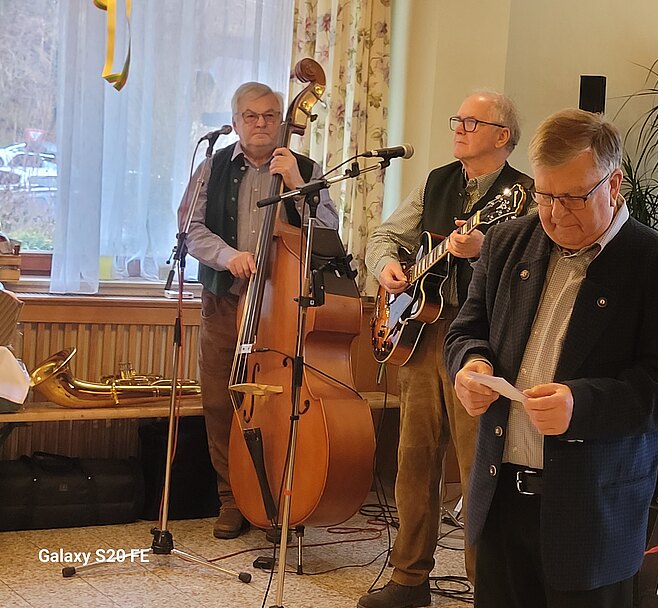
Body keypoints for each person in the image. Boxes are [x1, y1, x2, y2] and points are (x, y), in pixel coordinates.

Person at [446, 108, 658, 608]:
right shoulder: (507, 243)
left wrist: (579, 405)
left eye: (574, 197)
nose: (556, 213)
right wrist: (471, 365)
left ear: (614, 185)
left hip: (592, 515)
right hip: (502, 500)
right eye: (545, 196)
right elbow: (466, 331)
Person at [358, 91, 533, 608]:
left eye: (471, 121)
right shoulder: (436, 180)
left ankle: (487, 587)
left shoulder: (523, 194)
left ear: (502, 136)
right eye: (457, 118)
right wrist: (387, 267)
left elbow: (531, 270)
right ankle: (409, 579)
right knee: (413, 459)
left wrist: (485, 250)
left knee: (478, 464)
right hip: (421, 334)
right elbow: (385, 236)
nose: (458, 127)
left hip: (482, 338)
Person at [183, 81, 338, 539]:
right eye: (250, 116)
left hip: (281, 307)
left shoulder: (305, 168)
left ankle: (278, 498)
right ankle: (232, 499)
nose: (261, 123)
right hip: (224, 301)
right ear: (235, 122)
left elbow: (329, 232)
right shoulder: (212, 167)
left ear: (282, 120)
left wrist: (298, 186)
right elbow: (190, 228)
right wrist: (227, 255)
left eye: (270, 115)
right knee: (220, 401)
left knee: (279, 404)